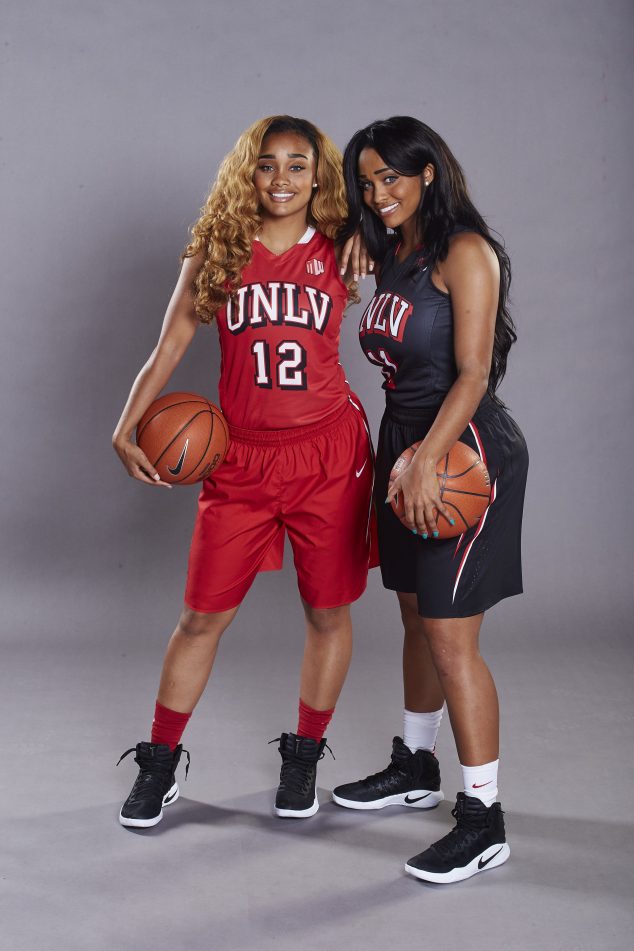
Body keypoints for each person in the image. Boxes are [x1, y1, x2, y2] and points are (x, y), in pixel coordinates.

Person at [113, 115, 374, 828]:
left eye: (298, 164)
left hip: (328, 452)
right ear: (246, 174)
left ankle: (303, 755)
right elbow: (169, 343)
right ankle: (160, 763)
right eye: (267, 165)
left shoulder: (348, 246)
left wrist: (367, 234)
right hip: (243, 456)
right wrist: (126, 420)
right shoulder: (220, 251)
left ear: (320, 174)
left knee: (327, 611)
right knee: (200, 617)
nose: (282, 178)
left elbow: (423, 231)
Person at [332, 116, 528, 884]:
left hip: (462, 451)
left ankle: (483, 819)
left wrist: (426, 461)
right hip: (402, 444)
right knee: (414, 614)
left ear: (430, 175)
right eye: (368, 182)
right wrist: (356, 227)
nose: (380, 194)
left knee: (451, 638)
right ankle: (415, 765)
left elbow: (475, 372)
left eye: (393, 178)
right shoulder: (394, 249)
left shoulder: (463, 252)